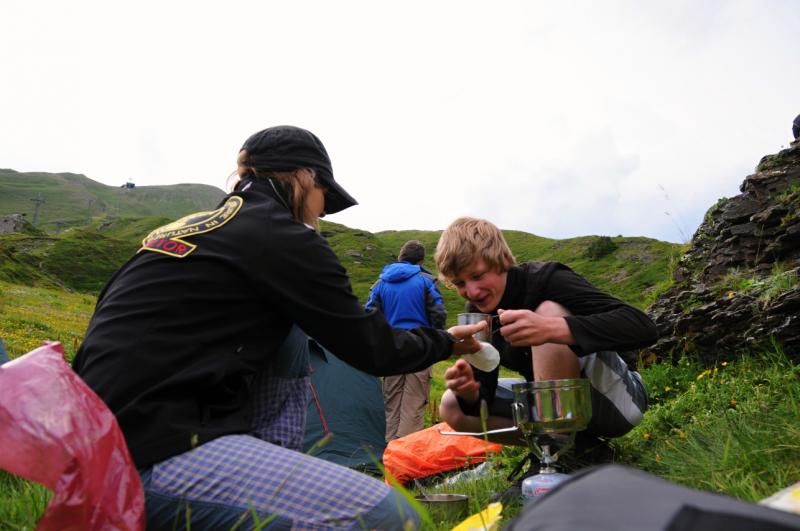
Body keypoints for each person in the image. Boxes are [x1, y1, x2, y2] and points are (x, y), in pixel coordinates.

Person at [71, 125, 485, 531]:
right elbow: (372, 348)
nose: (322, 212)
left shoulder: (188, 230)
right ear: (303, 178)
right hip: (146, 459)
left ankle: (264, 469)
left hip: (84, 449)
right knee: (391, 517)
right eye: (324, 196)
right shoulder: (282, 236)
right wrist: (445, 342)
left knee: (288, 330)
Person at [434, 217, 658, 456]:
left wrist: (551, 328)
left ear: (501, 260)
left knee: (548, 311)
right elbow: (484, 397)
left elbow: (643, 327)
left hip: (619, 401)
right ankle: (572, 451)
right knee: (452, 405)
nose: (472, 292)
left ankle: (558, 454)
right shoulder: (478, 315)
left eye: (478, 276)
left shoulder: (546, 279)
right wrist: (471, 394)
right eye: (460, 283)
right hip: (557, 406)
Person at [366, 240, 447, 441]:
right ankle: (406, 453)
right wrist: (436, 342)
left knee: (392, 402)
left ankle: (390, 449)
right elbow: (438, 314)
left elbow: (369, 316)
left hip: (391, 348)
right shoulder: (426, 281)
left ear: (400, 257)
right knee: (414, 402)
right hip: (420, 346)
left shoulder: (380, 284)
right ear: (421, 260)